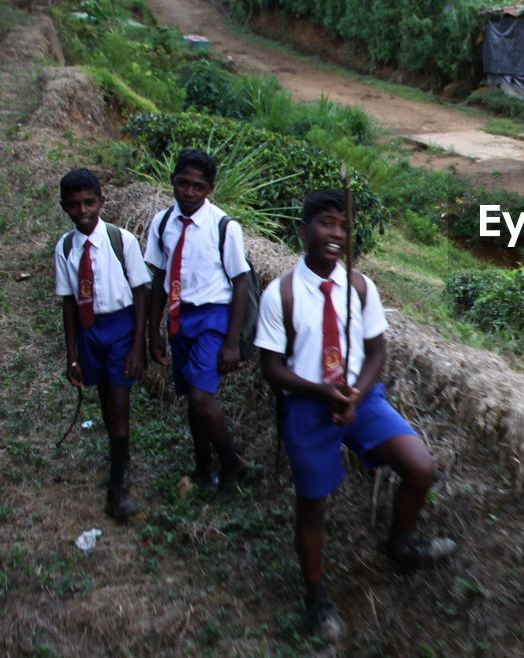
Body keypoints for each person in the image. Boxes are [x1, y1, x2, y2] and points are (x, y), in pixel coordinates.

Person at [256, 189, 455, 642]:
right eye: (326, 223)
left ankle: (401, 544)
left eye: (343, 226)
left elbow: (377, 350)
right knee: (313, 505)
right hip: (309, 403)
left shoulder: (360, 287)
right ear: (304, 229)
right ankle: (316, 597)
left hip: (359, 398)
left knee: (421, 467)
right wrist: (323, 393)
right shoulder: (281, 294)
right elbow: (272, 368)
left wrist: (354, 396)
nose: (336, 234)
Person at [145, 149, 250, 501]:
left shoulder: (224, 227)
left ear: (210, 189)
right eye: (183, 184)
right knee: (192, 398)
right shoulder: (162, 223)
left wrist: (232, 340)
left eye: (198, 187)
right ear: (172, 181)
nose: (189, 193)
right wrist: (153, 330)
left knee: (203, 398)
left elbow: (240, 283)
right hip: (179, 317)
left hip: (213, 317)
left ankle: (233, 466)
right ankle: (203, 468)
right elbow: (160, 274)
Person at [54, 169, 151, 520]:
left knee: (120, 402)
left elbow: (140, 293)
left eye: (89, 202)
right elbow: (68, 301)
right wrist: (72, 355)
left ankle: (117, 489)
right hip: (89, 329)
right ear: (64, 207)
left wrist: (138, 347)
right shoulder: (65, 247)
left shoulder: (120, 240)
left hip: (122, 327)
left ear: (101, 202)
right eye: (75, 205)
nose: (83, 211)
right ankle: (119, 457)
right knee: (106, 402)